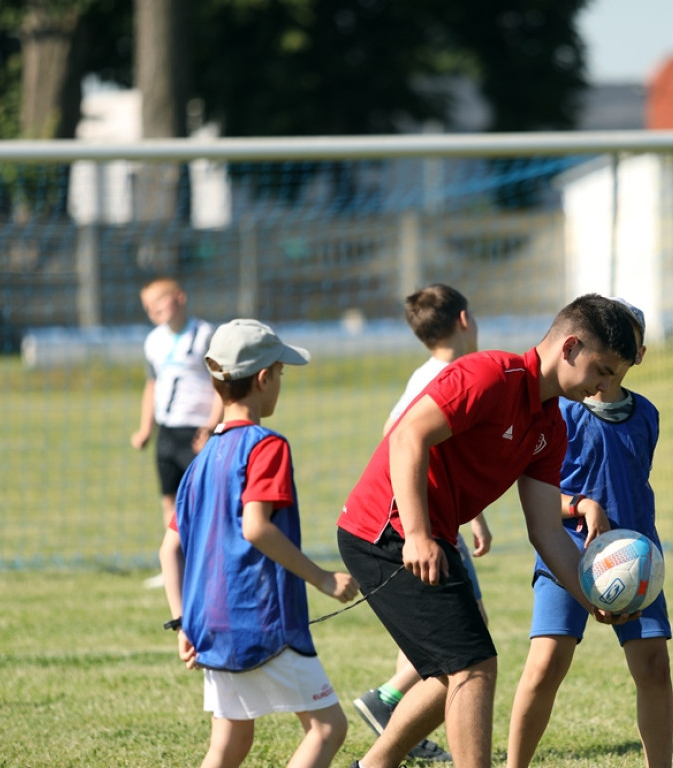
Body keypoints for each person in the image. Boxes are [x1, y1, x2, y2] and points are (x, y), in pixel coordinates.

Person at [337, 293, 641, 768]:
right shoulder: (490, 374)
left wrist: (593, 598)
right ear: (571, 347)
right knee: (473, 667)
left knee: (451, 670)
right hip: (383, 529)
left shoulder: (550, 427)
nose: (605, 385)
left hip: (430, 534)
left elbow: (546, 532)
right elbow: (407, 435)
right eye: (602, 370)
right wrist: (416, 534)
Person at [159, 318, 360, 768]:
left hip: (210, 623)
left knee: (230, 743)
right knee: (328, 728)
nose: (280, 384)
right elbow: (256, 526)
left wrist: (182, 621)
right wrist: (323, 578)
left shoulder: (201, 461)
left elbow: (168, 549)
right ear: (265, 378)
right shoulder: (266, 446)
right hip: (261, 620)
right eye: (281, 374)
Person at [506, 298, 673, 768]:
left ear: (637, 353)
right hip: (568, 553)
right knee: (544, 668)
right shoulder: (560, 409)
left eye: (633, 342)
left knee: (655, 670)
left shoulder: (647, 415)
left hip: (635, 558)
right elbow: (535, 491)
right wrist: (580, 505)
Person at [353, 284, 492, 763]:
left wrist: (471, 513)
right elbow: (401, 439)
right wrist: (417, 523)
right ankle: (389, 700)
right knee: (466, 650)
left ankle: (392, 707)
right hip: (421, 529)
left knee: (456, 643)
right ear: (465, 319)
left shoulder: (426, 373)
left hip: (436, 523)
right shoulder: (455, 376)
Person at [131, 276, 222, 588]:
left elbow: (222, 383)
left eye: (160, 301)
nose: (154, 309)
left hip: (197, 430)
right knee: (169, 499)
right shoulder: (153, 341)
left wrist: (211, 426)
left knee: (203, 501)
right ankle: (175, 562)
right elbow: (152, 384)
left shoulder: (205, 335)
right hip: (167, 432)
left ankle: (208, 565)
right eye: (147, 306)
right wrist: (146, 428)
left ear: (180, 297)